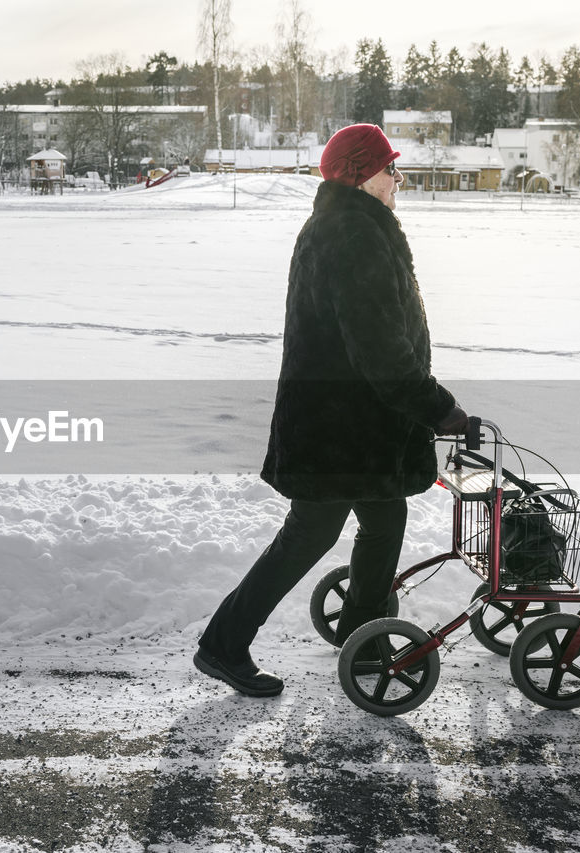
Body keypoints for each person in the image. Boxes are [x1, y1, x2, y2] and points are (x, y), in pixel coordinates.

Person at [194, 124, 468, 697]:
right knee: (310, 532)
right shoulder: (353, 235)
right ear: (359, 173)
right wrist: (439, 408)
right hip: (341, 427)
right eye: (391, 169)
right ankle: (224, 644)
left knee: (383, 518)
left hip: (350, 426)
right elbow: (380, 348)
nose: (399, 179)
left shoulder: (348, 226)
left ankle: (362, 636)